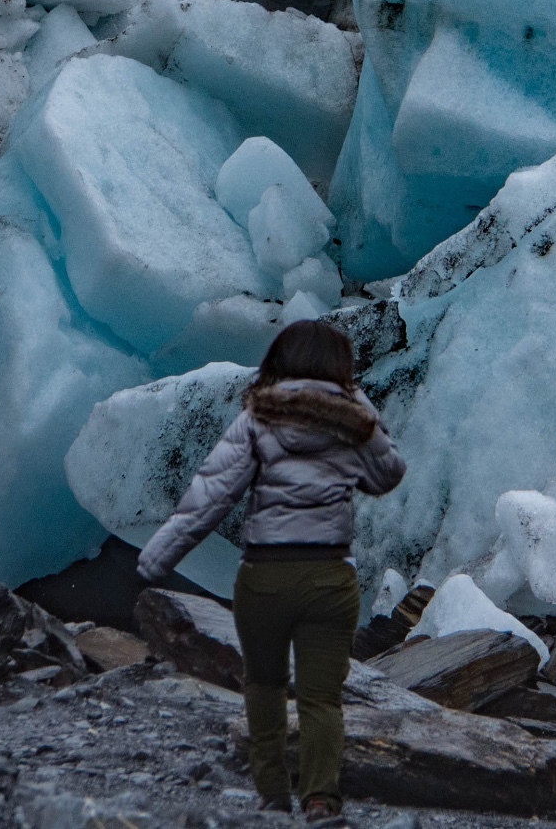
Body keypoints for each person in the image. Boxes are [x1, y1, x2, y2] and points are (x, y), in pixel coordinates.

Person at [135, 320, 406, 822]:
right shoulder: (352, 421)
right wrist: (360, 411)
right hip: (330, 578)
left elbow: (210, 497)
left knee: (264, 684)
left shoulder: (256, 420)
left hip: (265, 578)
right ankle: (321, 798)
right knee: (322, 697)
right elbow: (387, 474)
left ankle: (273, 794)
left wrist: (157, 557)